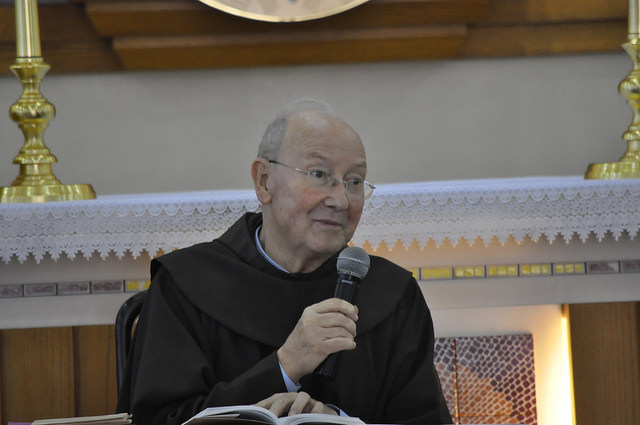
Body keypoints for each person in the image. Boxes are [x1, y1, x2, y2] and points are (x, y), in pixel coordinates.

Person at [117, 99, 452, 425]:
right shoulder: (185, 283)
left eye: (353, 181)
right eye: (319, 173)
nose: (339, 199)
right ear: (264, 181)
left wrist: (339, 424)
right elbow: (158, 419)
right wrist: (285, 365)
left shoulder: (393, 294)